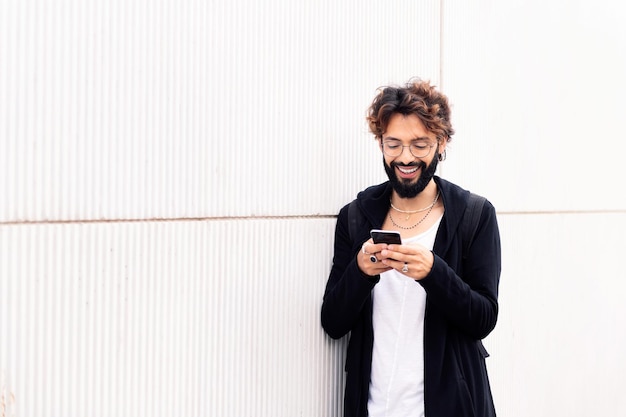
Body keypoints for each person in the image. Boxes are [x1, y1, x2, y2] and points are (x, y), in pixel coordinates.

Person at [321, 79, 501, 417]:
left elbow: (484, 318)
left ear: (441, 142)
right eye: (394, 144)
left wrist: (434, 273)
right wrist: (360, 272)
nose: (406, 157)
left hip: (450, 407)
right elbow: (333, 321)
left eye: (420, 145)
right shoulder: (356, 217)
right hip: (372, 408)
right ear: (381, 143)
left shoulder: (473, 216)